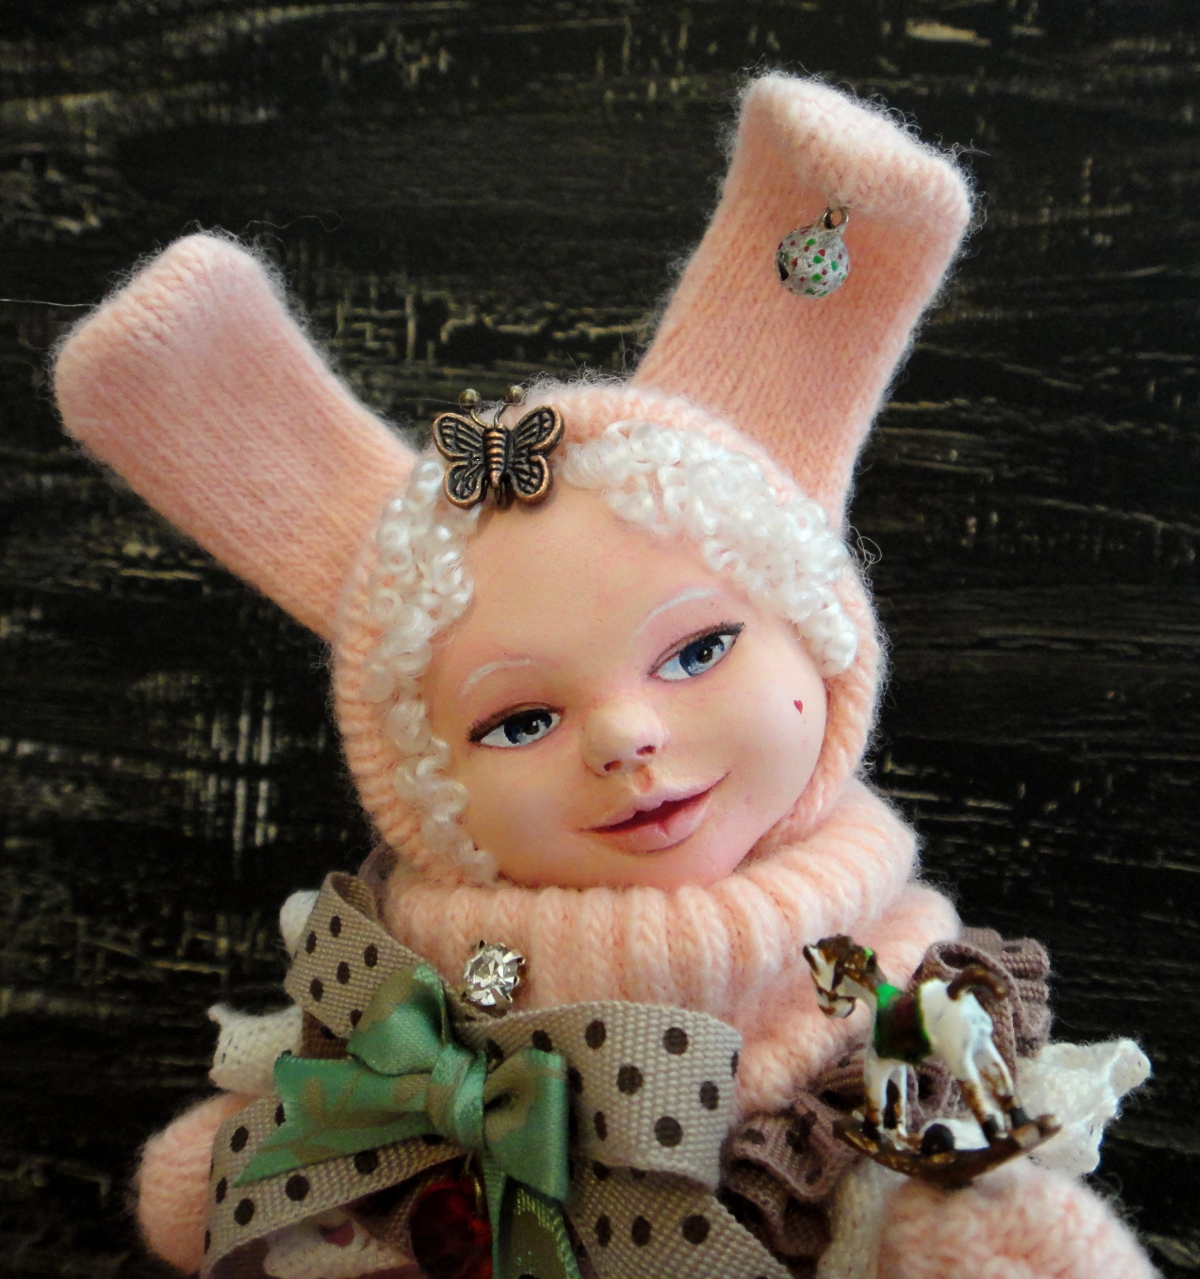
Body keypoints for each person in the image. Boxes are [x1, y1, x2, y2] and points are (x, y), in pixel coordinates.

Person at [54, 73, 1153, 1279]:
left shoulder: (881, 1000)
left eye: (700, 650)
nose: (626, 735)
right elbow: (249, 1173)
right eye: (519, 718)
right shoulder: (404, 1012)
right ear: (421, 783)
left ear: (819, 642)